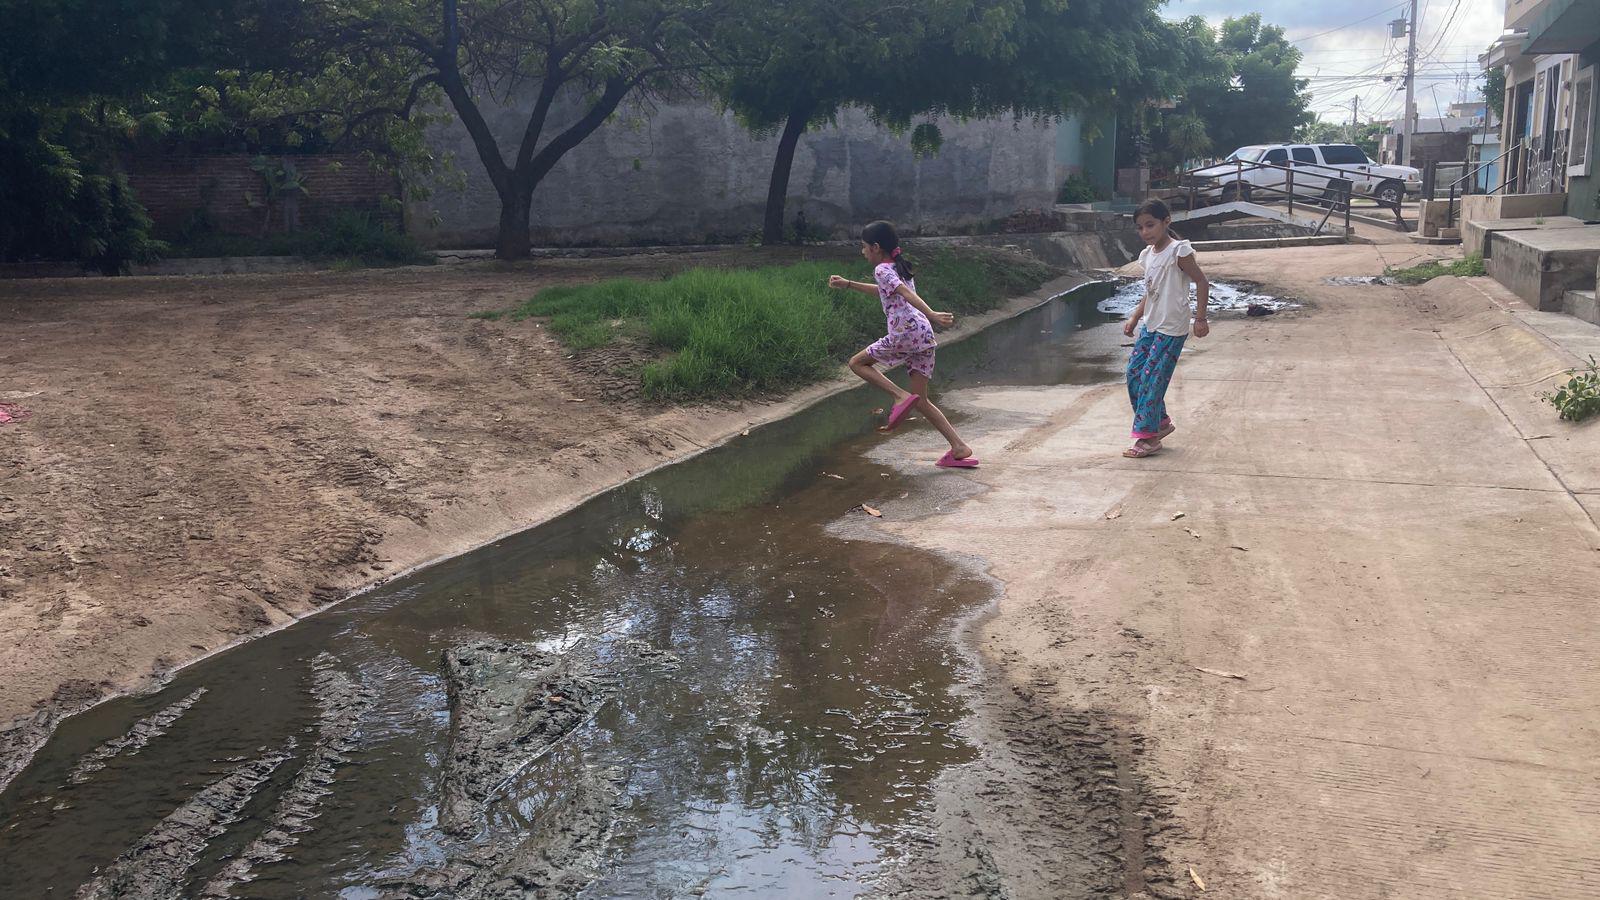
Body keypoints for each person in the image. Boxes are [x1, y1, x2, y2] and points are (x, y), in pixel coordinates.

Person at [828, 221, 977, 468]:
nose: (862, 252)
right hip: (923, 335)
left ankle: (899, 396)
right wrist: (849, 284)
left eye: (864, 247)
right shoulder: (899, 267)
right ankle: (959, 447)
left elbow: (906, 294)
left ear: (876, 247)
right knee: (921, 400)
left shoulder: (881, 269)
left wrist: (932, 313)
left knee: (856, 363)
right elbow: (886, 291)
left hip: (904, 332)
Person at [1122, 199, 1210, 459]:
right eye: (1140, 227)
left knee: (1152, 379)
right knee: (1134, 374)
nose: (1145, 232)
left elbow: (1201, 282)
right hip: (1151, 324)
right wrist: (1135, 317)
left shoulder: (1178, 251)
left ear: (1166, 221)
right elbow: (1151, 291)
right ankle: (1160, 422)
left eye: (1150, 225)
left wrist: (1201, 319)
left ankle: (1148, 437)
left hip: (1172, 327)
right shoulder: (1148, 255)